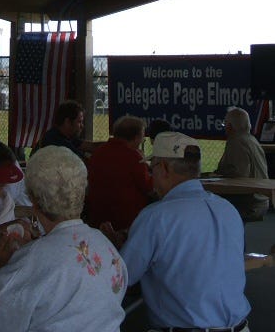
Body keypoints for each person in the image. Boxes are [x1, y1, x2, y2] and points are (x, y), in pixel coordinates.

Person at [0, 145, 127, 332]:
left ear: (34, 201)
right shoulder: (106, 248)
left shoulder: (33, 259)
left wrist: (0, 270)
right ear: (81, 193)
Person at [118, 131, 250, 331]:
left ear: (163, 168)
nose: (151, 177)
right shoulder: (228, 209)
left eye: (151, 169)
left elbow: (122, 277)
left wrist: (112, 249)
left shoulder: (156, 217)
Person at [86, 115, 153, 231]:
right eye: (142, 136)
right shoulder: (133, 157)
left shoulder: (99, 152)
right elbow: (149, 187)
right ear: (136, 137)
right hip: (127, 223)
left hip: (98, 220)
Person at [217, 106, 269, 221]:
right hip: (260, 199)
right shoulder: (252, 140)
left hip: (249, 202)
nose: (225, 128)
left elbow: (240, 175)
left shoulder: (236, 141)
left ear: (230, 126)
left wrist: (219, 175)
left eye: (225, 125)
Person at [37, 100, 102, 160]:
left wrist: (110, 144)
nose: (82, 126)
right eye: (79, 122)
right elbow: (83, 162)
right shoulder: (54, 140)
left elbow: (91, 146)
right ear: (67, 122)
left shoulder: (65, 136)